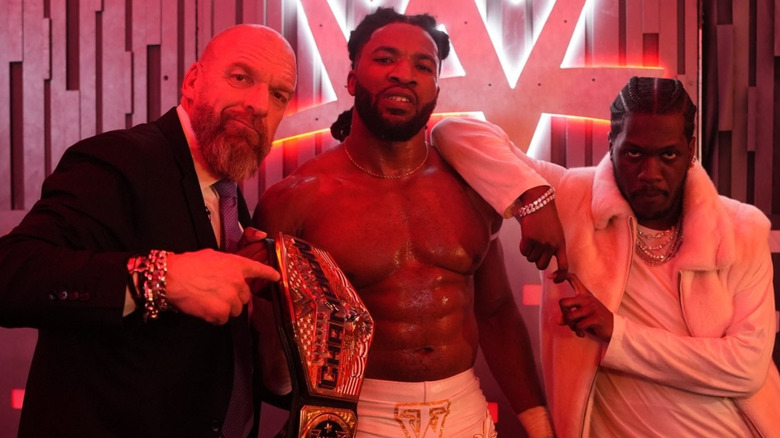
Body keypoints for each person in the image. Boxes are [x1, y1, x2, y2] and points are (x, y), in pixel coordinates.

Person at [254, 7, 554, 438]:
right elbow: (272, 368)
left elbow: (497, 312)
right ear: (353, 77)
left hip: (465, 413)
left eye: (423, 65)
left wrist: (538, 422)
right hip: (359, 416)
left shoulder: (470, 186)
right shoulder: (296, 199)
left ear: (435, 87)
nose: (404, 73)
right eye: (385, 59)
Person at [431, 76, 780, 437]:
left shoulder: (741, 229)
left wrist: (617, 333)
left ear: (690, 148)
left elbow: (747, 367)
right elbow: (453, 132)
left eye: (669, 155)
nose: (650, 174)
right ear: (611, 143)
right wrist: (533, 200)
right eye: (633, 153)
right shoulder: (569, 199)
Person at [0, 24, 296, 438]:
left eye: (279, 94)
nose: (259, 104)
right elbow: (11, 275)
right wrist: (161, 278)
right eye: (241, 77)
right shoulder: (120, 159)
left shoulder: (228, 195)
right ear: (192, 81)